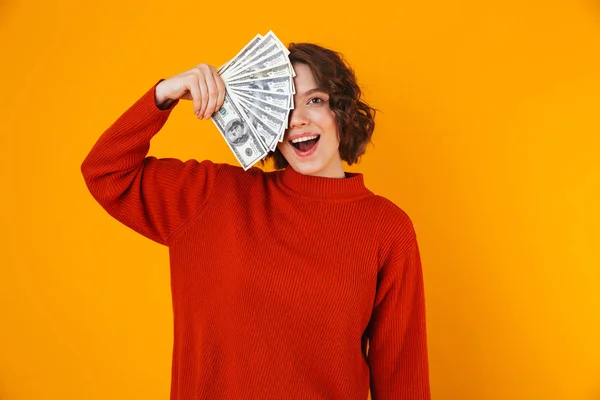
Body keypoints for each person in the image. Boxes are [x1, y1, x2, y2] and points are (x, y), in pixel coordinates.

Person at [81, 42, 431, 400]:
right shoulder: (212, 197)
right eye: (284, 105)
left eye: (315, 100)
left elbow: (403, 380)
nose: (298, 119)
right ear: (264, 117)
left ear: (341, 110)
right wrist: (163, 95)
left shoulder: (387, 229)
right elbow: (106, 173)